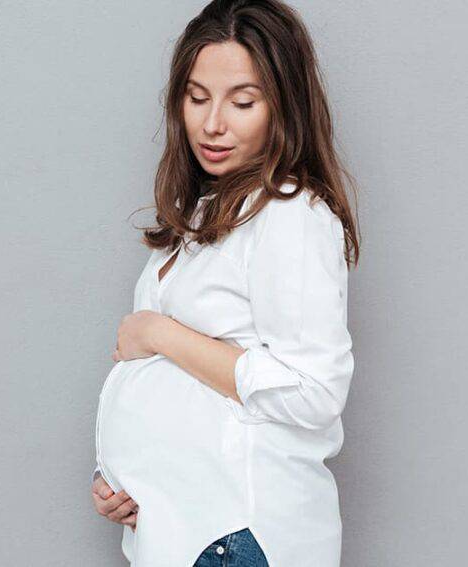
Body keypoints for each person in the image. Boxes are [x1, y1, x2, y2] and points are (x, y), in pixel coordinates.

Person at [90, 1, 360, 565]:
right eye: (196, 98)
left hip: (238, 536)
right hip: (182, 534)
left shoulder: (291, 215)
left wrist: (161, 334)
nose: (213, 123)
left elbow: (314, 393)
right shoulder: (204, 217)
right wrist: (121, 478)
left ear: (283, 106)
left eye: (243, 102)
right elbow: (195, 403)